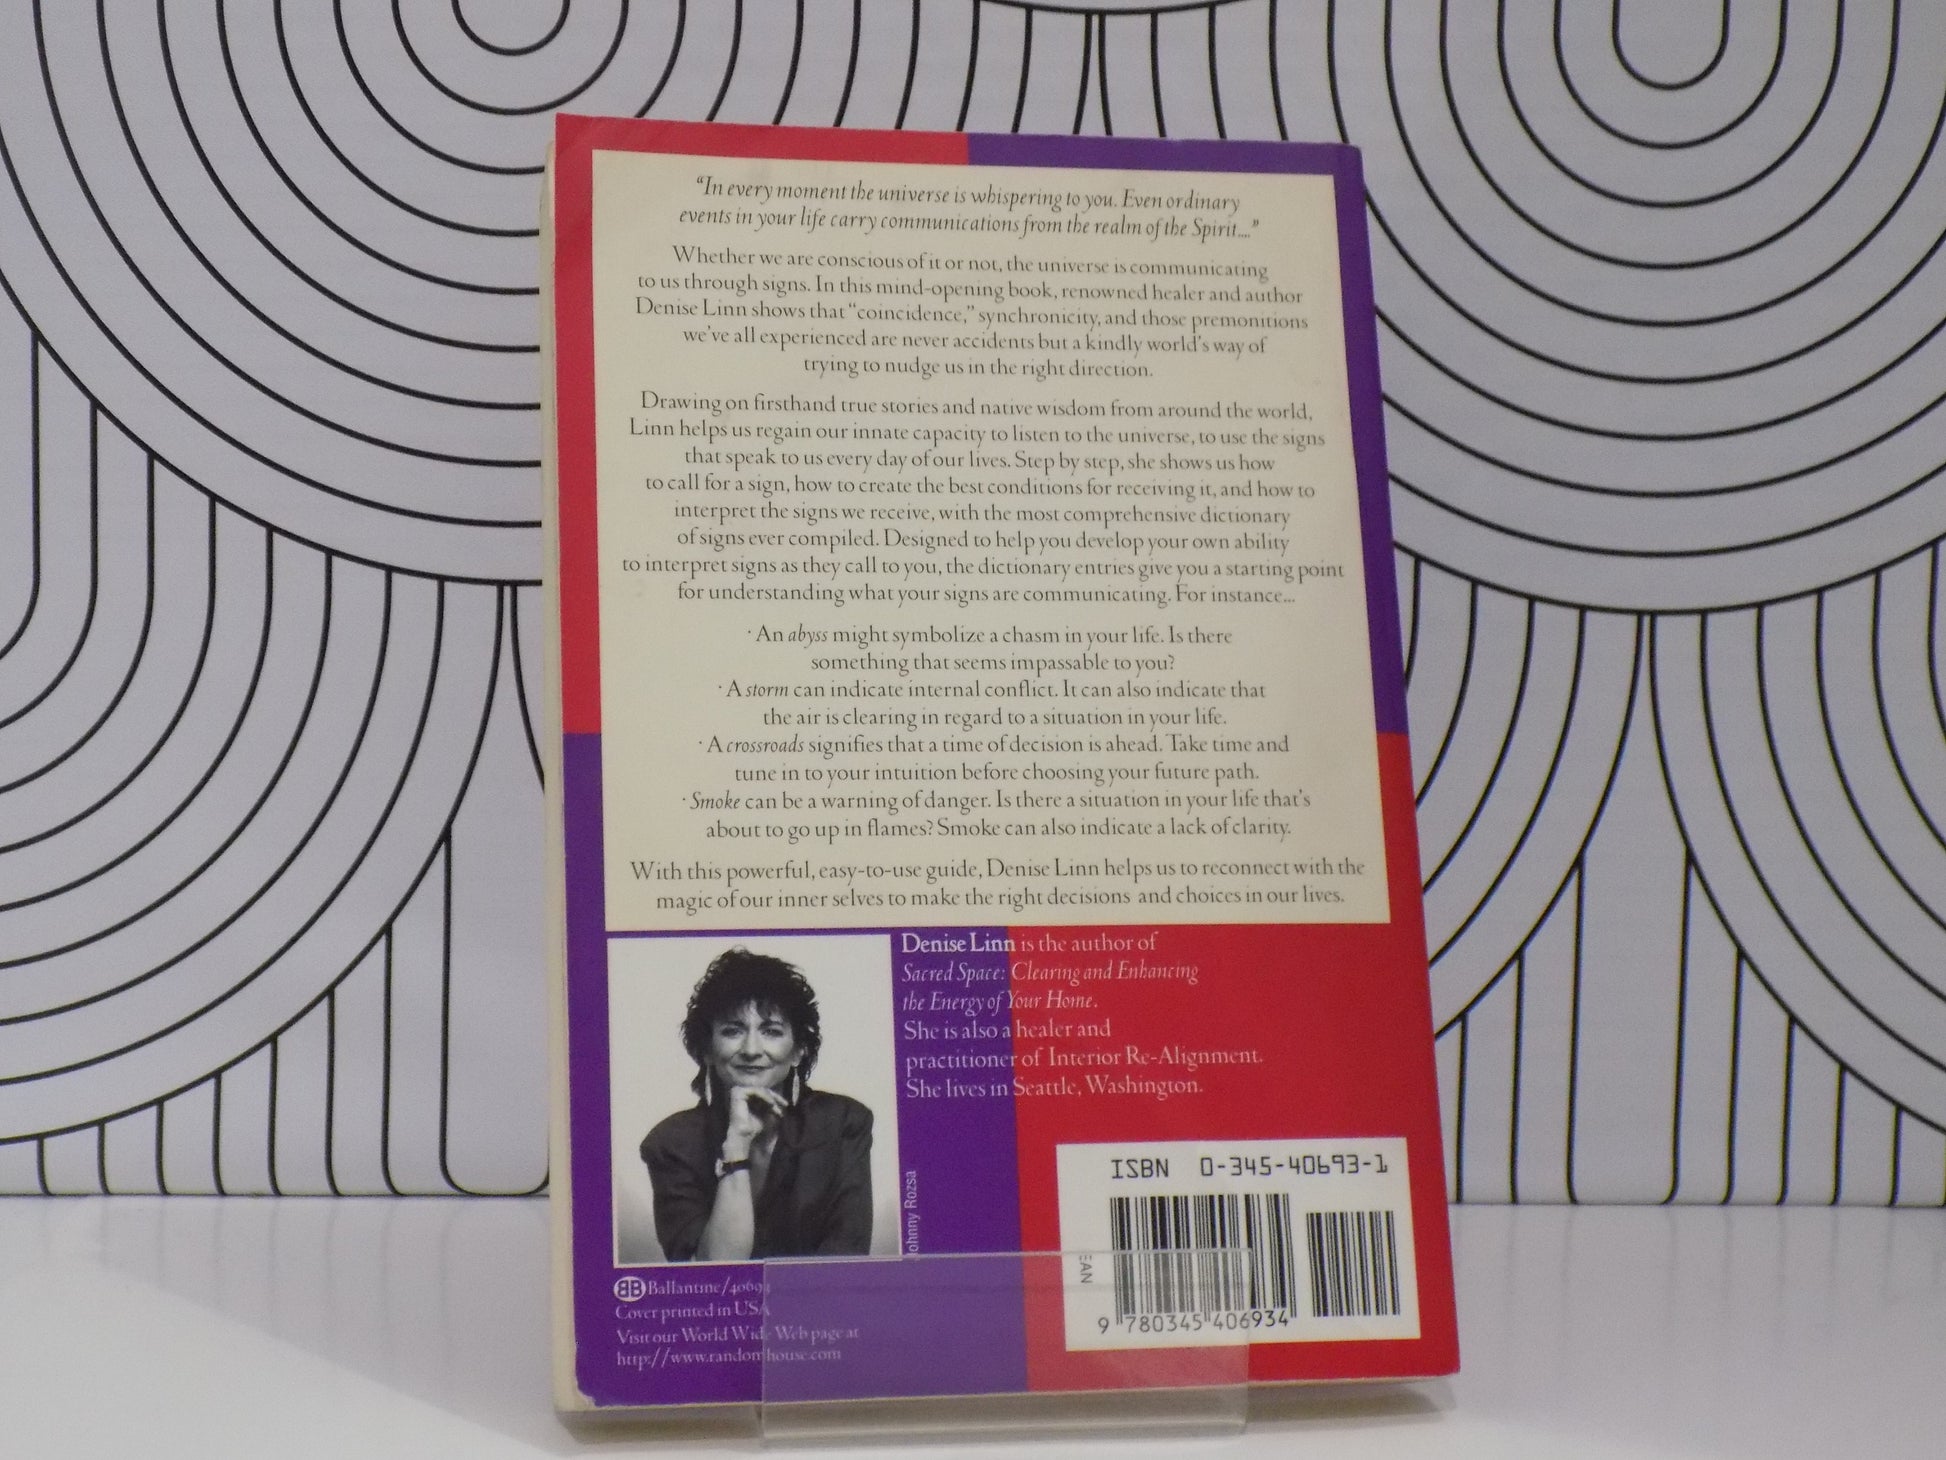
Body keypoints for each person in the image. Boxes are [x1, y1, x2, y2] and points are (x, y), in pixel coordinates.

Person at [640, 948, 873, 1261]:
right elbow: (715, 1272)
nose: (751, 1049)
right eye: (733, 1031)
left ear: (798, 1051)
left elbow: (846, 1260)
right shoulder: (671, 1144)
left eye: (771, 1031)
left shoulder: (843, 1122)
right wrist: (736, 1147)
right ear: (707, 1049)